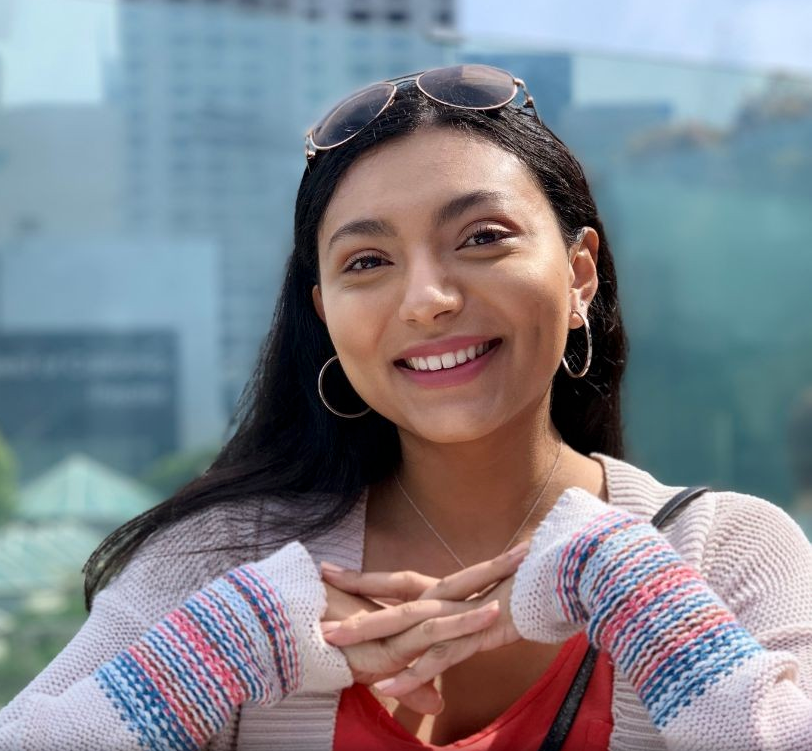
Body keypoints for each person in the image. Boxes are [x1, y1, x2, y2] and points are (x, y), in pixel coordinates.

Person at [1, 64, 811, 751]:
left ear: (580, 275)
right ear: (326, 315)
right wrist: (227, 646)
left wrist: (636, 596)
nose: (426, 299)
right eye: (368, 260)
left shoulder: (724, 552)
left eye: (483, 237)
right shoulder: (224, 559)